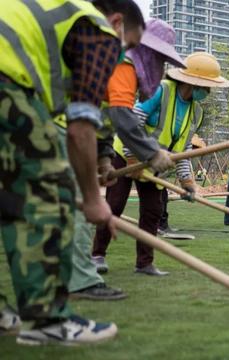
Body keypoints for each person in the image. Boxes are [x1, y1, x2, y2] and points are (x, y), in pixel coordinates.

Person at [0, 0, 144, 345]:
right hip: (7, 83)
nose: (125, 53)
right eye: (131, 44)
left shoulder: (52, 13)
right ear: (117, 22)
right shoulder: (97, 29)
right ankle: (48, 319)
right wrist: (93, 201)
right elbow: (82, 127)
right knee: (48, 193)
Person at [68, 18, 184, 301]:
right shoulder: (125, 64)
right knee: (83, 208)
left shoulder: (123, 67)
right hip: (66, 131)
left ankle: (83, 275)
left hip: (87, 135)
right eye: (158, 58)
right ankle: (82, 276)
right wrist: (151, 153)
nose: (159, 66)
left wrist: (104, 158)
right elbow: (121, 114)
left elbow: (104, 112)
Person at [94, 52, 229, 275]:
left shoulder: (197, 111)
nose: (208, 91)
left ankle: (144, 263)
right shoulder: (161, 90)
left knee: (153, 211)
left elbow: (183, 149)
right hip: (125, 155)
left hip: (155, 163)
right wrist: (133, 157)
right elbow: (133, 121)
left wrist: (187, 182)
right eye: (206, 86)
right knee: (114, 205)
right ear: (193, 81)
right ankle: (97, 255)